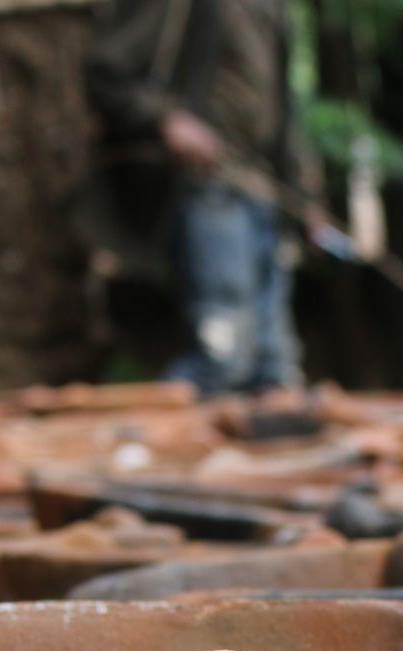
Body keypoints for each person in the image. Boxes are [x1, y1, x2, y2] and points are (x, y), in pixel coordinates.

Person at [85, 0, 320, 394]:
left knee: (273, 368)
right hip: (207, 186)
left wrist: (307, 197)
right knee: (222, 360)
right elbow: (107, 72)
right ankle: (154, 439)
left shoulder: (272, 8)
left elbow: (284, 110)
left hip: (267, 195)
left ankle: (255, 453)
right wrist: (168, 120)